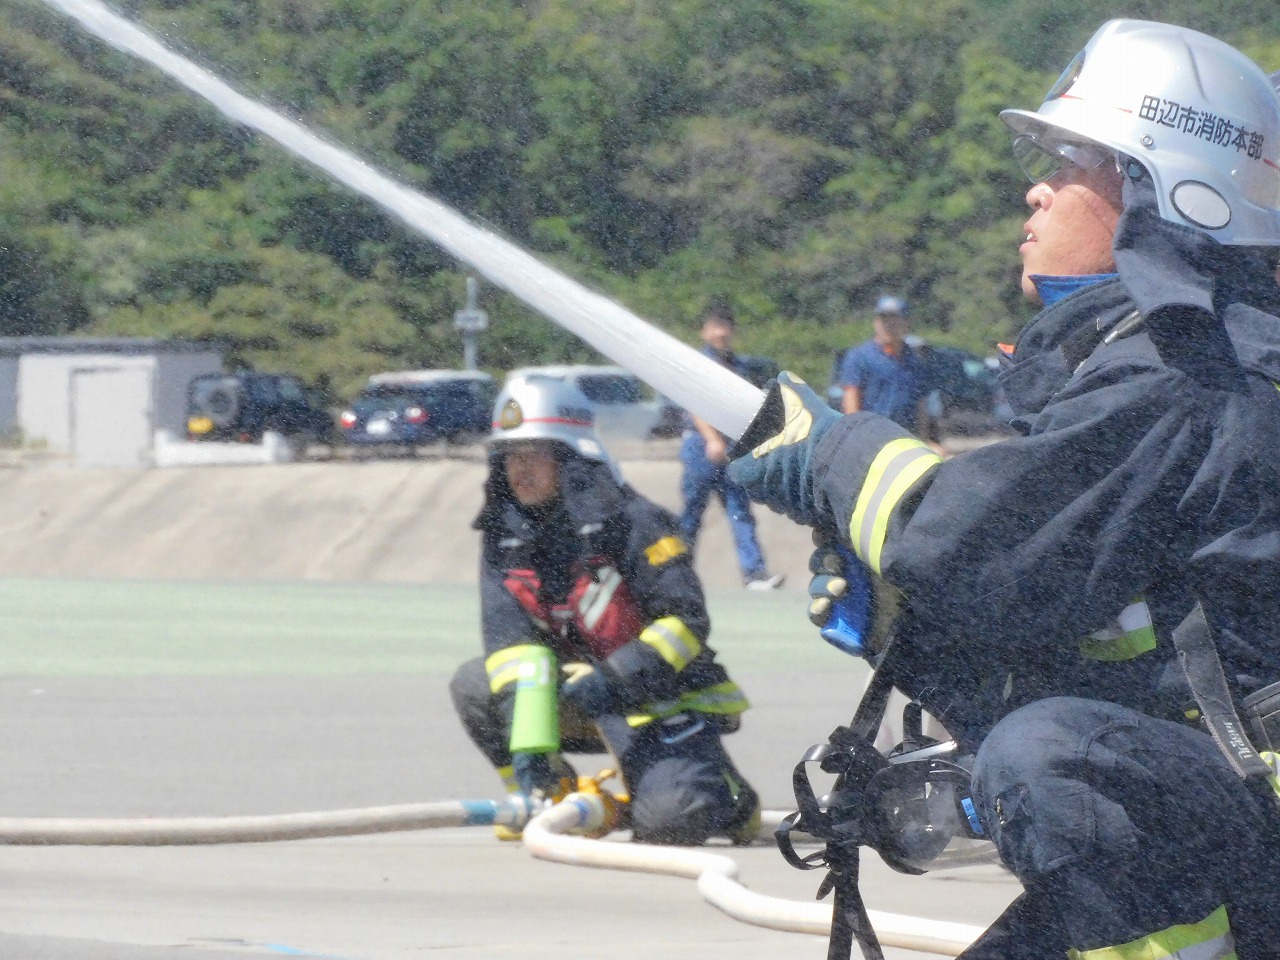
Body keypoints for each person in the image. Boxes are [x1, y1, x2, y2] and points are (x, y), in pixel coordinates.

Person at [728, 19, 1280, 958]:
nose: (1037, 187)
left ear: (1165, 195)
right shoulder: (1163, 361)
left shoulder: (1187, 373)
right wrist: (911, 630)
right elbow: (1050, 618)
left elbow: (967, 543)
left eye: (1075, 163)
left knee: (1050, 755)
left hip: (1249, 831)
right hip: (1222, 820)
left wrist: (824, 453)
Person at [450, 373, 760, 846]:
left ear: (570, 457)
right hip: (578, 696)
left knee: (672, 823)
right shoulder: (503, 535)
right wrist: (531, 751)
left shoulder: (637, 523)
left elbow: (685, 624)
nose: (520, 470)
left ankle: (728, 796)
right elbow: (510, 647)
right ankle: (551, 799)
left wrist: (613, 679)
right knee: (476, 683)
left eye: (534, 454)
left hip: (658, 700)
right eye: (510, 455)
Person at [679, 299, 785, 590]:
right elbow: (693, 404)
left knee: (740, 511)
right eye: (714, 327)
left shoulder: (740, 366)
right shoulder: (698, 363)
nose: (720, 333)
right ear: (704, 332)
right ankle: (676, 573)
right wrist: (712, 439)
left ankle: (754, 573)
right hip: (701, 448)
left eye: (725, 327)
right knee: (691, 514)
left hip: (733, 450)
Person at [838, 295, 931, 437]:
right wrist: (856, 437)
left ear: (907, 323)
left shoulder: (914, 360)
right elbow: (851, 405)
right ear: (875, 323)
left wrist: (924, 439)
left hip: (905, 437)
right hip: (871, 437)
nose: (889, 325)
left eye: (895, 320)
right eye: (884, 320)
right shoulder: (860, 357)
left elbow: (921, 405)